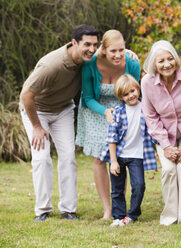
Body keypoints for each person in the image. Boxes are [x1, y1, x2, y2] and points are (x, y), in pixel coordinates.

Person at [20, 24, 99, 221]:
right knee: (41, 158)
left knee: (68, 157)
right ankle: (43, 210)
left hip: (63, 109)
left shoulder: (89, 58)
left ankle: (68, 210)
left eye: (95, 45)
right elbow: (26, 95)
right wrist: (37, 127)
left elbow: (112, 51)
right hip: (37, 111)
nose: (92, 49)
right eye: (87, 44)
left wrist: (129, 52)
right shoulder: (52, 64)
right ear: (74, 43)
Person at [75, 29, 140, 220]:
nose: (118, 55)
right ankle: (107, 209)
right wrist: (105, 112)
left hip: (123, 108)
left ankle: (120, 205)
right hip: (96, 109)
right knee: (99, 159)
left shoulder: (132, 63)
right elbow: (87, 98)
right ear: (103, 49)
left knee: (120, 158)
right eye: (113, 51)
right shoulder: (91, 65)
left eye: (121, 49)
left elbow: (136, 91)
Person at [141, 40, 181, 227]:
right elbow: (150, 117)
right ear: (154, 64)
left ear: (176, 60)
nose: (167, 64)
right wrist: (167, 146)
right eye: (161, 61)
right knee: (168, 170)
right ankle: (169, 215)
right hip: (163, 136)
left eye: (170, 59)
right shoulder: (147, 82)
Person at [100, 74, 157, 227]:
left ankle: (132, 214)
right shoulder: (118, 112)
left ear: (138, 89)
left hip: (137, 155)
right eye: (126, 94)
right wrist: (113, 162)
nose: (131, 95)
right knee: (117, 189)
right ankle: (118, 217)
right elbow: (112, 138)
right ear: (121, 97)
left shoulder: (146, 107)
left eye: (133, 91)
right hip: (119, 155)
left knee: (139, 186)